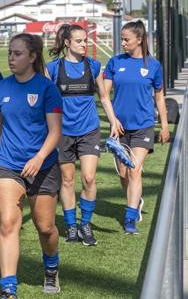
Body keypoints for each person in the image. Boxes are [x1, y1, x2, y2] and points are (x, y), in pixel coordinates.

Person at [0, 33, 63, 298]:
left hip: (43, 166)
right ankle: (9, 287)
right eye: (9, 52)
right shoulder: (1, 88)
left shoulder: (47, 89)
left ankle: (51, 267)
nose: (11, 58)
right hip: (8, 165)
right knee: (8, 223)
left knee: (45, 228)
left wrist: (39, 157)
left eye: (17, 53)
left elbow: (55, 132)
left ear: (32, 57)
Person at [46, 24, 121, 246]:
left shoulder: (94, 66)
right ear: (67, 43)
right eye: (79, 41)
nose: (84, 45)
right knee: (67, 180)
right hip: (62, 132)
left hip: (89, 129)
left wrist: (114, 122)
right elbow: (45, 100)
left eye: (85, 41)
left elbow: (104, 97)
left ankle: (85, 224)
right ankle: (71, 226)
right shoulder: (53, 68)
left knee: (89, 178)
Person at [104, 20, 170, 234]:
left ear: (139, 40)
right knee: (124, 173)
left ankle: (130, 217)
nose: (122, 42)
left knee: (134, 169)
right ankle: (136, 200)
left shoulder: (154, 65)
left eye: (126, 39)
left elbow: (159, 97)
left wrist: (165, 124)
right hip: (120, 129)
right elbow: (104, 94)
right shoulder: (115, 63)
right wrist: (113, 120)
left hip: (144, 126)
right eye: (121, 39)